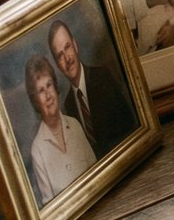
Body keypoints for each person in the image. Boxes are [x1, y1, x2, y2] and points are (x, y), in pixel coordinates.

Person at [48, 19, 136, 159]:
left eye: (68, 47)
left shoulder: (103, 77)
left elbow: (130, 127)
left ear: (75, 46)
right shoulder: (68, 104)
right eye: (59, 56)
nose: (67, 58)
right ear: (57, 64)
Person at [24, 54, 96, 206]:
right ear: (35, 101)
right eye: (41, 91)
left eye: (49, 85)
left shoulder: (75, 125)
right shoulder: (38, 149)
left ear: (56, 88)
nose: (48, 95)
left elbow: (96, 172)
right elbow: (50, 205)